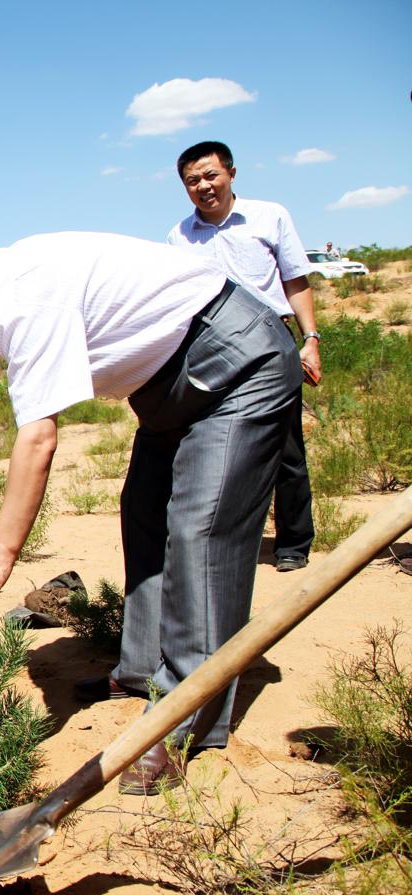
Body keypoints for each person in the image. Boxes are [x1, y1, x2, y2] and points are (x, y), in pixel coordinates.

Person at [0, 234, 301, 794]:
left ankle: (183, 720)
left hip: (237, 366)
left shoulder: (22, 302)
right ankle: (142, 672)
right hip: (173, 385)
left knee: (202, 532)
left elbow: (39, 439)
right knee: (144, 510)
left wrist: (1, 550)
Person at [167, 141, 318, 573]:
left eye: (211, 176)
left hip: (273, 343)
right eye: (192, 181)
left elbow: (296, 280)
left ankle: (293, 543)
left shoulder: (269, 216)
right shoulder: (179, 236)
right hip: (210, 350)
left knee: (285, 447)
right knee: (220, 448)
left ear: (231, 173)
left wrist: (311, 339)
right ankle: (235, 540)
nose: (203, 187)